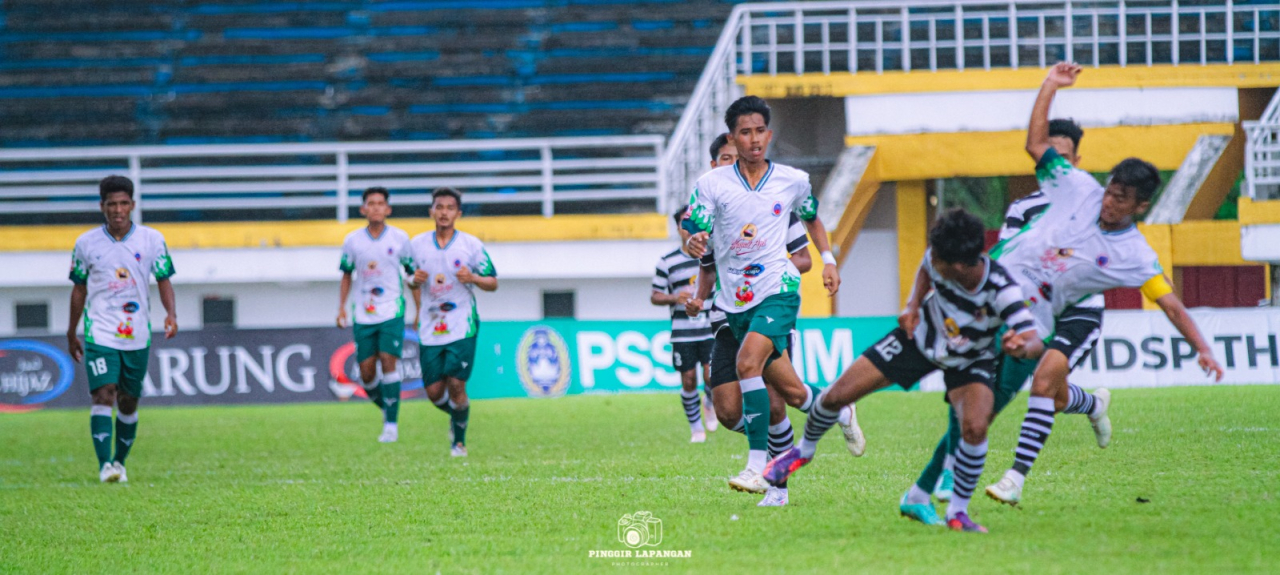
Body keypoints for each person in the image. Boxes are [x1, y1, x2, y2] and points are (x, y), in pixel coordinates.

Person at [984, 63, 1225, 506]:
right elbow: (1034, 144)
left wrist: (1202, 348)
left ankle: (1014, 480)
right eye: (1110, 191)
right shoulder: (1076, 189)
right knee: (1057, 398)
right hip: (1037, 307)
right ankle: (1093, 405)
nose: (1109, 202)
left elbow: (1171, 305)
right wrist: (1050, 85)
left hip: (1079, 313)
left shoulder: (1136, 254)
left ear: (1140, 206)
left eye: (1121, 199)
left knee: (1043, 385)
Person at [764, 208, 1045, 533]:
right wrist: (912, 305)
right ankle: (803, 451)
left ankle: (957, 511)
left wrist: (1020, 345)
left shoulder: (1001, 288)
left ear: (958, 266)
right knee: (837, 395)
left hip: (970, 358)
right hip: (918, 340)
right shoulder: (940, 255)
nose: (932, 258)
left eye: (938, 258)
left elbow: (1033, 339)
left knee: (976, 428)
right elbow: (926, 268)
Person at [912, 118, 1104, 505]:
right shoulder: (1023, 209)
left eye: (1065, 159)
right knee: (988, 393)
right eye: (1052, 159)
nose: (1058, 168)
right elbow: (1005, 265)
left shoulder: (1095, 210)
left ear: (1077, 161)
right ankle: (948, 472)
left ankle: (1088, 410)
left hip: (1070, 314)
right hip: (1022, 314)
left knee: (1039, 394)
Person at [682, 96, 841, 494]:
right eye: (744, 133)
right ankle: (838, 408)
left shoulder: (791, 181)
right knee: (771, 401)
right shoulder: (711, 189)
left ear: (768, 135)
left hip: (776, 291)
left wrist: (828, 260)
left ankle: (760, 470)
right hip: (731, 307)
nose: (753, 140)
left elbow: (811, 220)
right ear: (732, 139)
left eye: (758, 132)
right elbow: (694, 235)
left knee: (751, 367)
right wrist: (692, 243)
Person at [68, 175, 178, 483]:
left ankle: (119, 462)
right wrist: (71, 330)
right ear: (102, 206)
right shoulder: (86, 243)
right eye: (112, 204)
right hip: (100, 332)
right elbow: (79, 289)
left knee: (128, 401)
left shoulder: (152, 240)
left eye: (123, 203)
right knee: (104, 394)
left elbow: (163, 279)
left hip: (137, 333)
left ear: (133, 205)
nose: (118, 210)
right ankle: (105, 466)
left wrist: (171, 313)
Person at [404, 187, 498, 457]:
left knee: (456, 384)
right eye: (439, 207)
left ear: (459, 213)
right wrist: (414, 286)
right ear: (431, 211)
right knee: (434, 393)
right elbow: (410, 278)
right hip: (430, 324)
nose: (444, 212)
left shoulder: (471, 245)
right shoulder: (416, 245)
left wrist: (474, 278)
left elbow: (493, 282)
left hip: (462, 324)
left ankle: (459, 442)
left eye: (450, 208)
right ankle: (458, 415)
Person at [338, 187, 415, 443]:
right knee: (367, 373)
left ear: (388, 209)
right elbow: (346, 274)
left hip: (392, 310)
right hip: (363, 313)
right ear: (363, 209)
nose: (376, 208)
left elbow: (412, 274)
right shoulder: (352, 241)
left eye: (380, 203)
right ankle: (387, 407)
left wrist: (418, 309)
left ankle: (391, 425)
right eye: (371, 203)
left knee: (388, 361)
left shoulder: (400, 238)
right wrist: (341, 307)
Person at [651, 206, 717, 443]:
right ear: (678, 229)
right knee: (688, 379)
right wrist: (674, 297)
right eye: (683, 224)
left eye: (693, 224)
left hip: (710, 328)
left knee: (711, 376)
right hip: (683, 332)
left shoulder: (711, 256)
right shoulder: (667, 262)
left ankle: (709, 402)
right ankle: (696, 428)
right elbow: (655, 296)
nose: (689, 229)